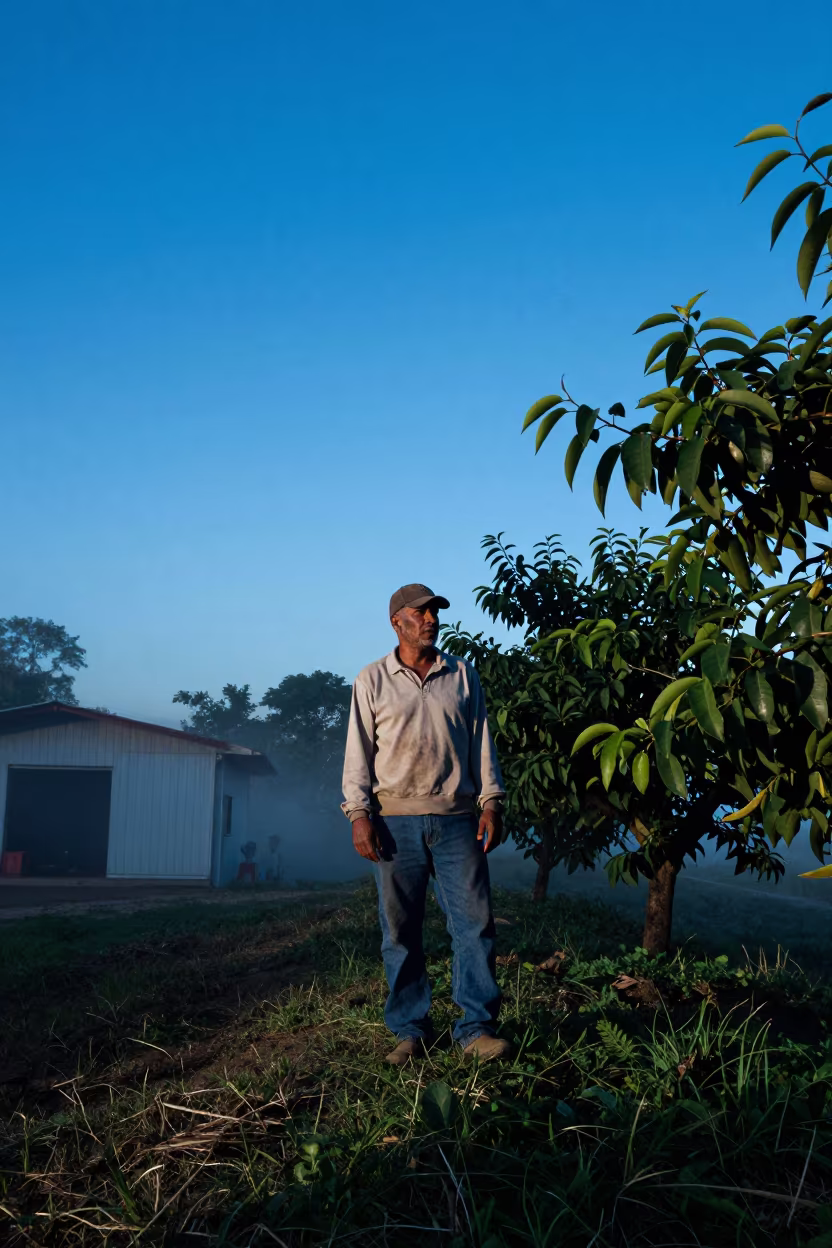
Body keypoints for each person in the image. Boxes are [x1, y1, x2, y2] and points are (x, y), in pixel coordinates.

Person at [341, 582, 511, 1065]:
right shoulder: (371, 679)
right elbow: (359, 754)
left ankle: (476, 1029)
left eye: (435, 612)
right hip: (395, 823)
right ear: (397, 622)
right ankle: (410, 1032)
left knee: (475, 925)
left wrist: (491, 803)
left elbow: (482, 743)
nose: (432, 619)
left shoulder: (462, 675)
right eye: (421, 613)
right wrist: (359, 815)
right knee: (400, 931)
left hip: (458, 820)